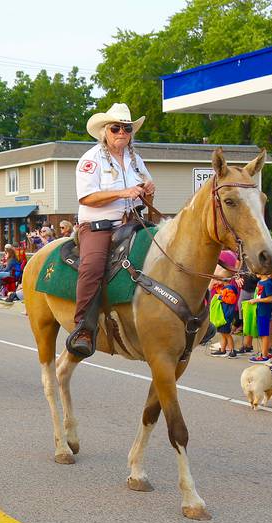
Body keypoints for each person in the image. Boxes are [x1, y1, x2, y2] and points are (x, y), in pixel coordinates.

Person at [66, 102, 155, 357]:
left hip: (134, 222)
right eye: (116, 128)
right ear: (105, 131)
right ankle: (83, 327)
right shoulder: (90, 160)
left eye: (126, 128)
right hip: (98, 226)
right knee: (92, 267)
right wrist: (123, 192)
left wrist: (149, 189)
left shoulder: (135, 159)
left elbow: (147, 186)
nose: (122, 133)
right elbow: (86, 198)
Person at [248, 270, 272, 362]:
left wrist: (256, 301)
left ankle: (264, 356)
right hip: (259, 310)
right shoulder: (260, 282)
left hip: (264, 312)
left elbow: (270, 298)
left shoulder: (267, 283)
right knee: (262, 333)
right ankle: (265, 353)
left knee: (264, 334)